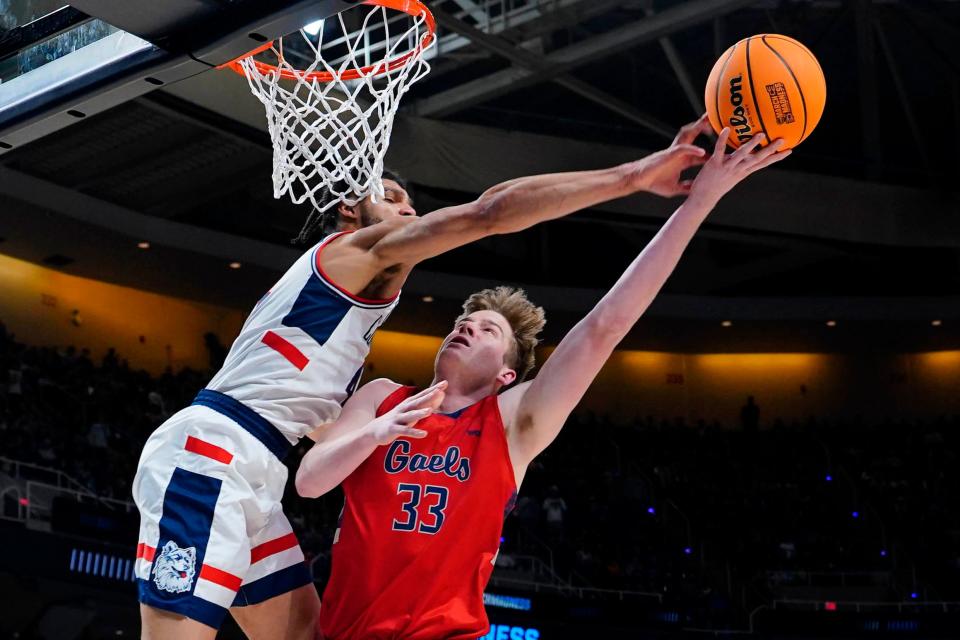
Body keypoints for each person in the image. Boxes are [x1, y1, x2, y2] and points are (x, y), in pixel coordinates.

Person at [131, 118, 713, 638]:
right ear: (350, 214)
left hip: (259, 468)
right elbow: (491, 212)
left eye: (412, 204)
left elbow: (316, 457)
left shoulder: (357, 325)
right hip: (217, 453)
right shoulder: (356, 254)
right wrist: (634, 176)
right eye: (392, 199)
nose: (410, 213)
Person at [296, 126, 790, 639]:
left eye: (488, 330)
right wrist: (374, 433)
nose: (466, 327)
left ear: (507, 374)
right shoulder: (383, 398)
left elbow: (605, 327)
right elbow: (311, 482)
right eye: (463, 323)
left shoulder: (512, 425)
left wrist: (699, 201)